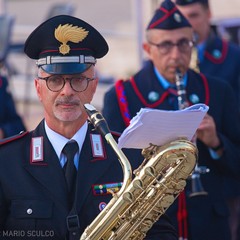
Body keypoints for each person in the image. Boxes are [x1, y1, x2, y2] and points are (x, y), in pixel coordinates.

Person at [0, 15, 178, 240]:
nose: (67, 91)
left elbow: (161, 233)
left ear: (93, 86)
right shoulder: (6, 163)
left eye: (78, 80)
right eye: (55, 80)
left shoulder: (128, 155)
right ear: (38, 88)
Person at [102, 0, 240, 240]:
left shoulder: (218, 91)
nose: (176, 55)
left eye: (184, 44)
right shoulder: (122, 95)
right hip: (153, 224)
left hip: (210, 224)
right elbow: (113, 168)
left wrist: (216, 143)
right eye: (165, 45)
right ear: (148, 49)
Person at [174, 1, 240, 239]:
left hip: (223, 186)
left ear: (209, 14)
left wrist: (214, 137)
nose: (187, 24)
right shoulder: (168, 59)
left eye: (193, 15)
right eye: (180, 17)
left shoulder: (233, 58)